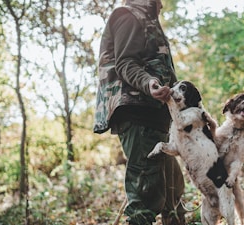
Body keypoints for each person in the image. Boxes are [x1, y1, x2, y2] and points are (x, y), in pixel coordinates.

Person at [93, 0, 186, 224]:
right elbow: (125, 62)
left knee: (172, 193)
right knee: (145, 198)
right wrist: (149, 83)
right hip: (139, 114)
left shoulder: (148, 19)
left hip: (156, 118)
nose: (162, 3)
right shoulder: (128, 15)